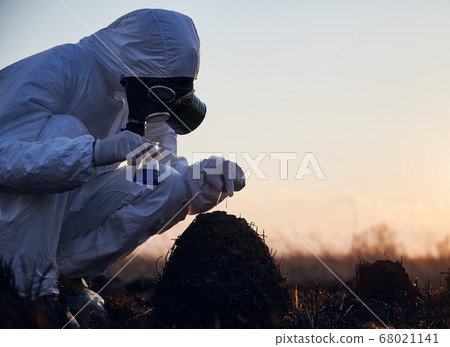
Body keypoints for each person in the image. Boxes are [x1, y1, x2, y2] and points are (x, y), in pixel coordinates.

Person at [0, 9, 245, 327]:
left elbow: (158, 168)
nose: (161, 108)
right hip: (10, 220)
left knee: (165, 182)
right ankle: (25, 292)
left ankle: (59, 279)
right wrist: (93, 152)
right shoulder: (59, 69)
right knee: (65, 129)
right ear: (138, 70)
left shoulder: (145, 98)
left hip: (59, 217)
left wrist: (202, 177)